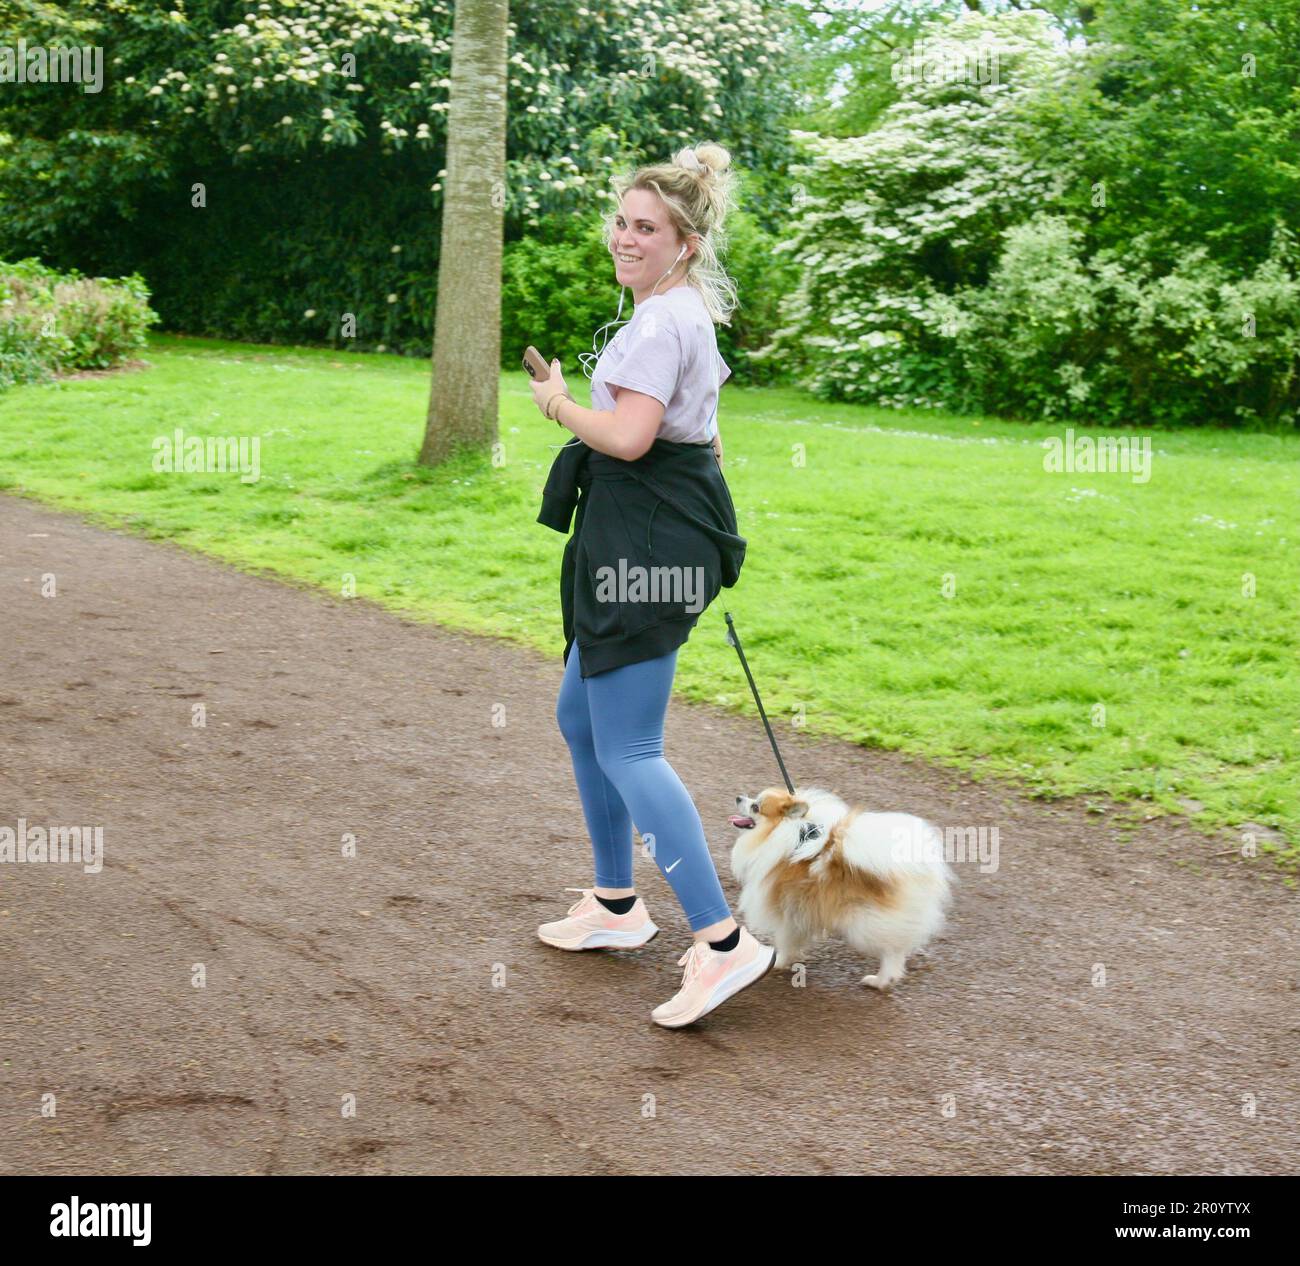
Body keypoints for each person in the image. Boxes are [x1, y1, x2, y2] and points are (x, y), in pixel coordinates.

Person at [529, 142, 777, 1028]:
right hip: (644, 537)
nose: (626, 239)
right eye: (622, 223)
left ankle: (722, 942)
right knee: (579, 718)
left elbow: (630, 438)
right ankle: (616, 904)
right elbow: (703, 442)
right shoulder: (677, 317)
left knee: (629, 746)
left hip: (642, 549)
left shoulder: (667, 321)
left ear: (685, 245)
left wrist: (557, 402)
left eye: (647, 228)